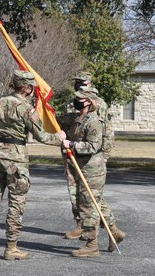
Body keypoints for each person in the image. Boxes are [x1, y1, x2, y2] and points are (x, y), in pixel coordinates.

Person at [0, 70, 66, 260]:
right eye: (31, 86)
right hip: (15, 158)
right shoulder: (26, 108)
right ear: (26, 87)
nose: (33, 89)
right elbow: (41, 135)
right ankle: (11, 247)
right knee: (16, 203)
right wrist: (59, 138)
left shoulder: (0, 101)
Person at [62, 72, 125, 253]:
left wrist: (74, 145)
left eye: (80, 97)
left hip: (92, 164)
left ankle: (92, 245)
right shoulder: (81, 115)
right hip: (83, 163)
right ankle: (114, 232)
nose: (77, 98)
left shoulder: (95, 117)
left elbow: (96, 141)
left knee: (88, 205)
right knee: (96, 201)